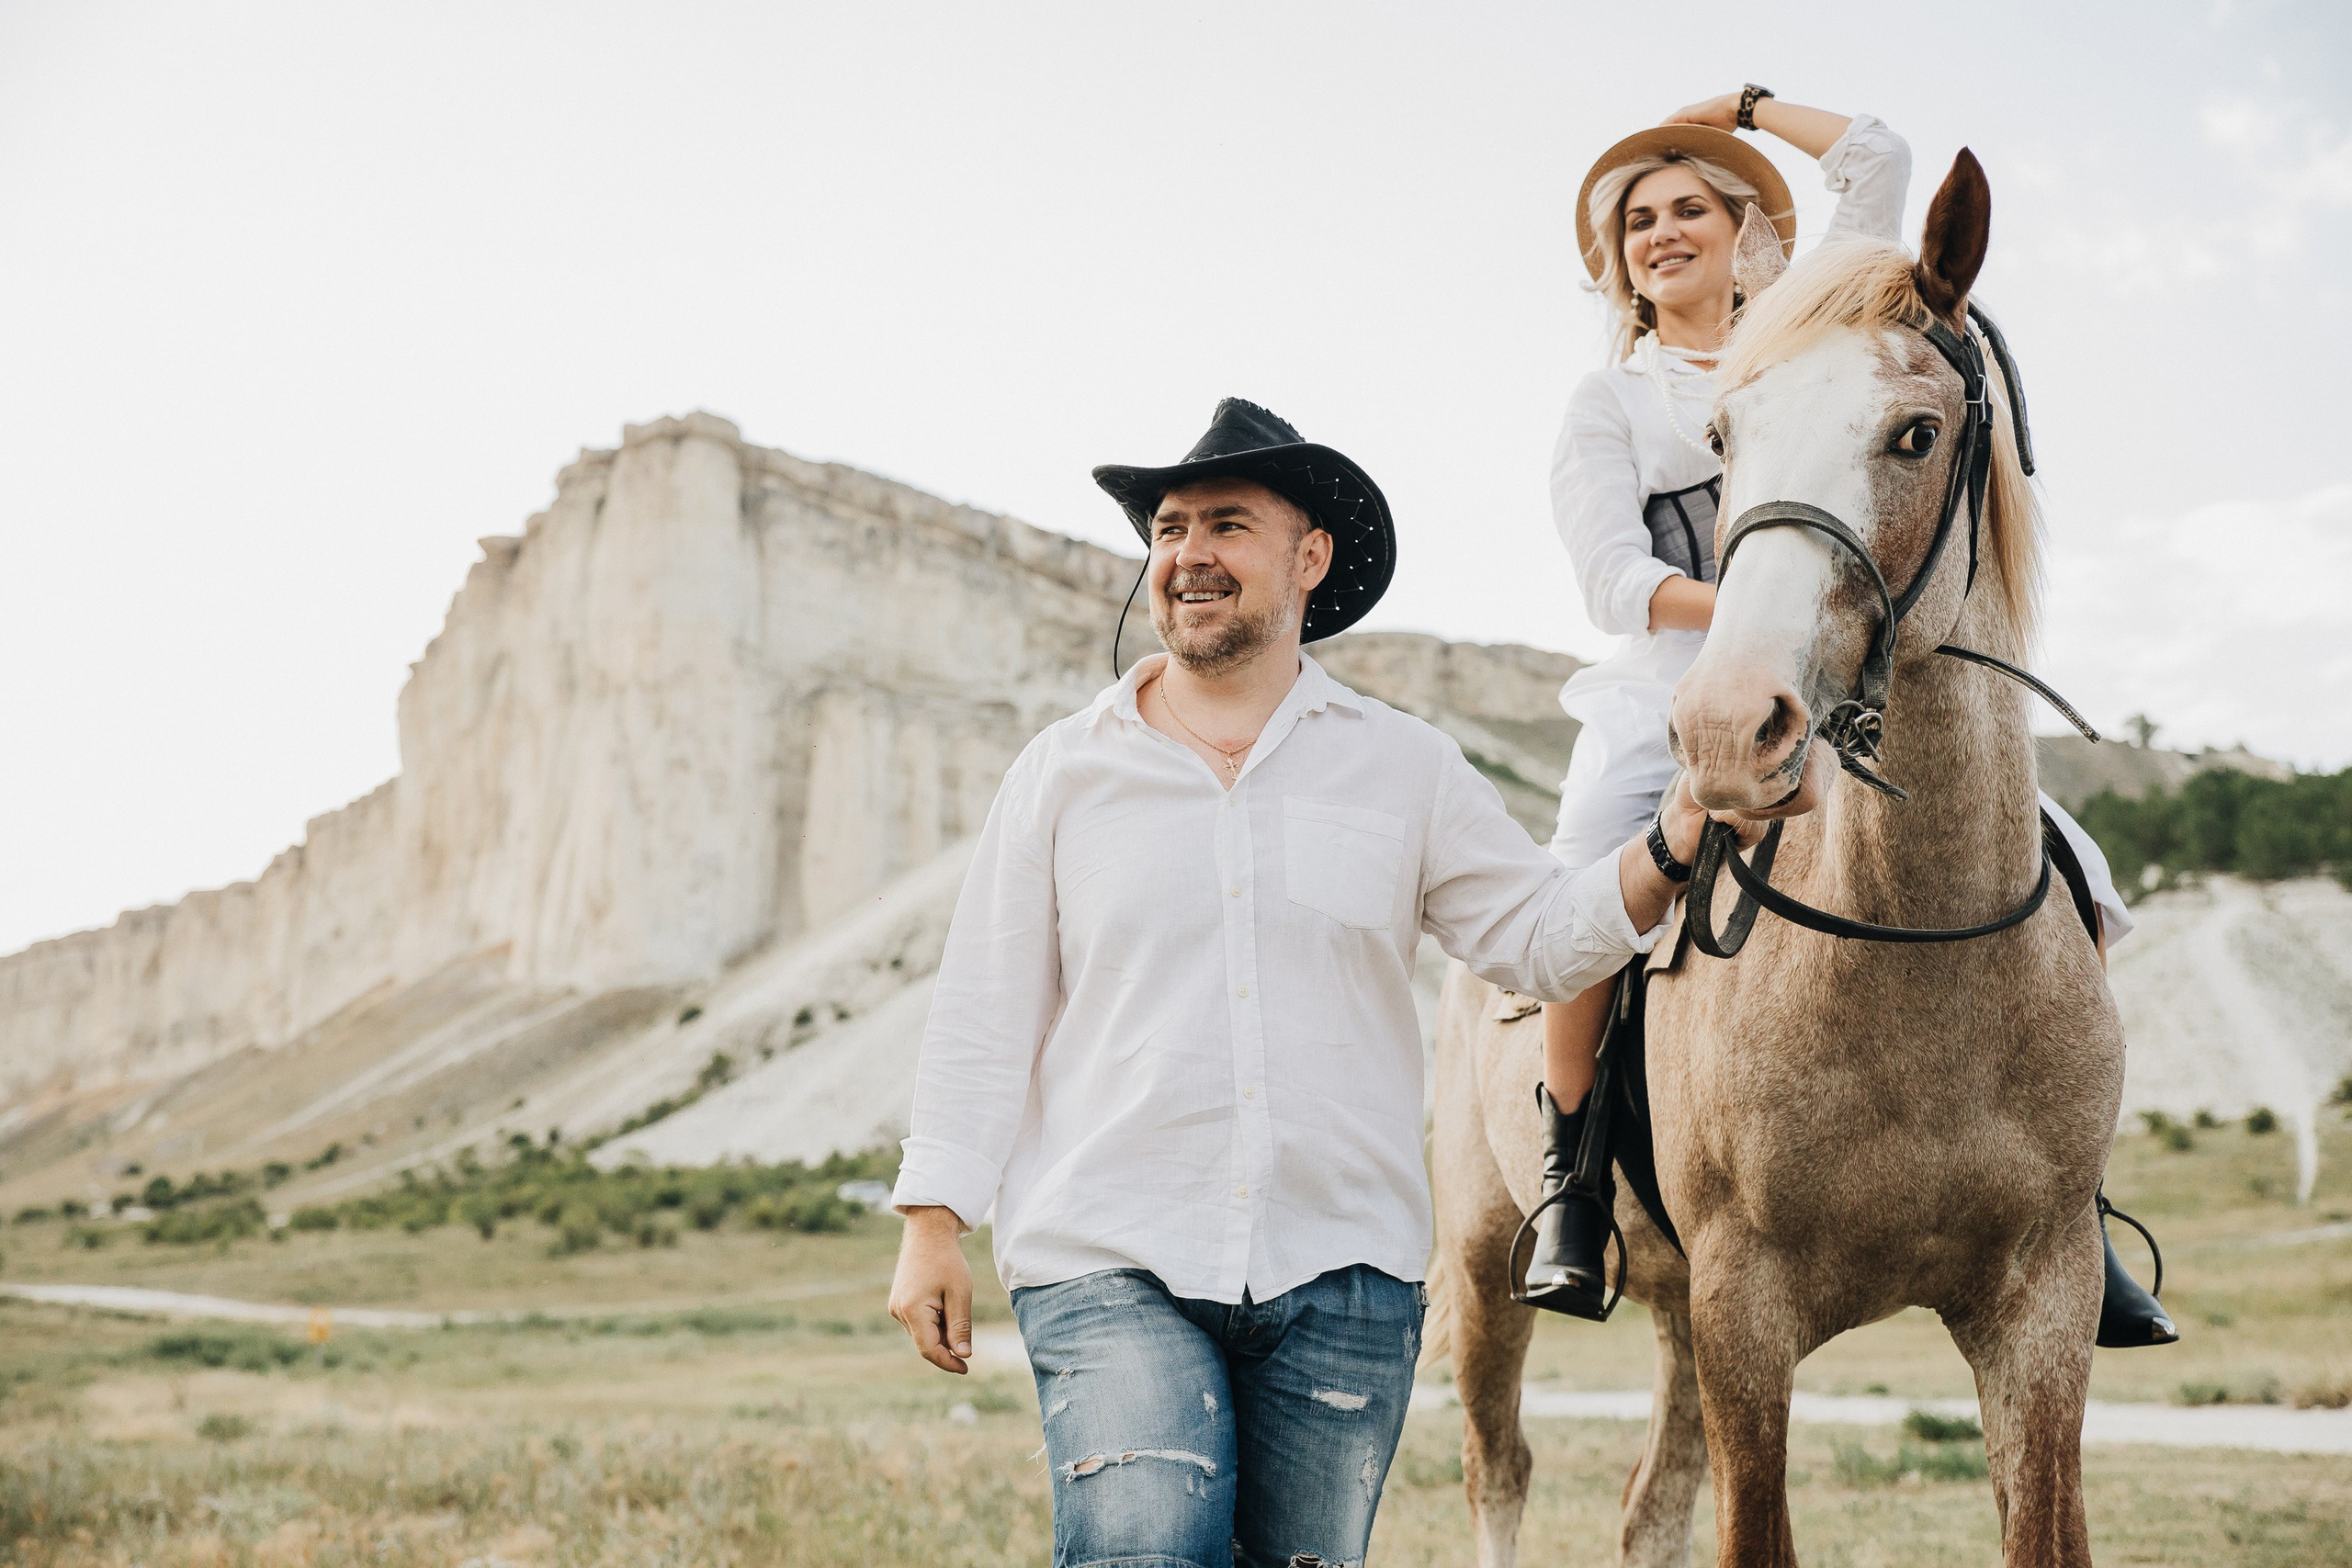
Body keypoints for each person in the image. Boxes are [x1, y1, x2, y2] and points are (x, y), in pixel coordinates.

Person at [886, 398, 1764, 1568]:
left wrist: (1678, 827)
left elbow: (1541, 938)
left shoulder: (1404, 767)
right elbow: (984, 1008)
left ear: (1308, 559)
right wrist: (932, 1220)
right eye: (1167, 529)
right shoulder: (1062, 773)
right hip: (1109, 1248)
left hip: (1344, 1272)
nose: (1187, 554)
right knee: (1145, 1546)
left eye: (1225, 525)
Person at [1522, 86, 2178, 1351]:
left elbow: (1879, 158)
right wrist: (1780, 601)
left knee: (2075, 872)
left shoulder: (1811, 325)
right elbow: (1612, 580)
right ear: (1618, 263)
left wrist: (1749, 106)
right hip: (1682, 681)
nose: (1664, 231)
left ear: (1742, 225)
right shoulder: (1610, 405)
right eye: (1640, 220)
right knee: (1581, 889)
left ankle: (2068, 1192)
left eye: (1691, 207)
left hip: (1851, 668)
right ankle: (1572, 1177)